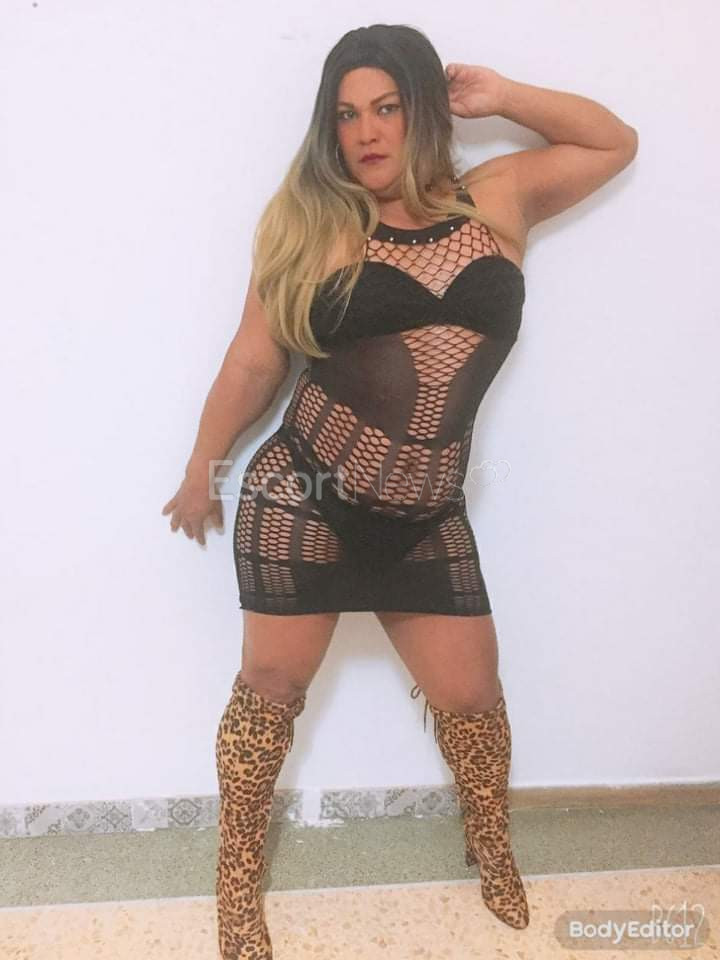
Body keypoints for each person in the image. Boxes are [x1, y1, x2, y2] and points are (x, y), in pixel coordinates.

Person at [161, 23, 638, 959]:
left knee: (473, 695)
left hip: (426, 514)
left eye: (387, 107)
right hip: (305, 497)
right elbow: (255, 361)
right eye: (346, 115)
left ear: (423, 109)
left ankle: (490, 844)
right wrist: (201, 468)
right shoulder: (310, 220)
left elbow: (612, 141)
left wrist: (502, 95)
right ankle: (236, 884)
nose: (367, 132)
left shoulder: (498, 197)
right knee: (270, 689)